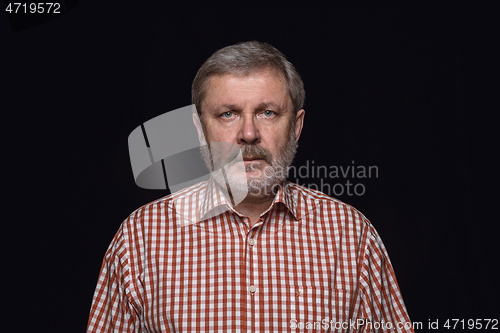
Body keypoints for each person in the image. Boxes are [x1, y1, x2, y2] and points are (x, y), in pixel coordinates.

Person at [87, 41, 414, 332]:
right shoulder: (139, 239)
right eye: (228, 114)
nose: (247, 133)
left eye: (267, 112)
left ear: (296, 127)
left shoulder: (351, 236)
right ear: (200, 129)